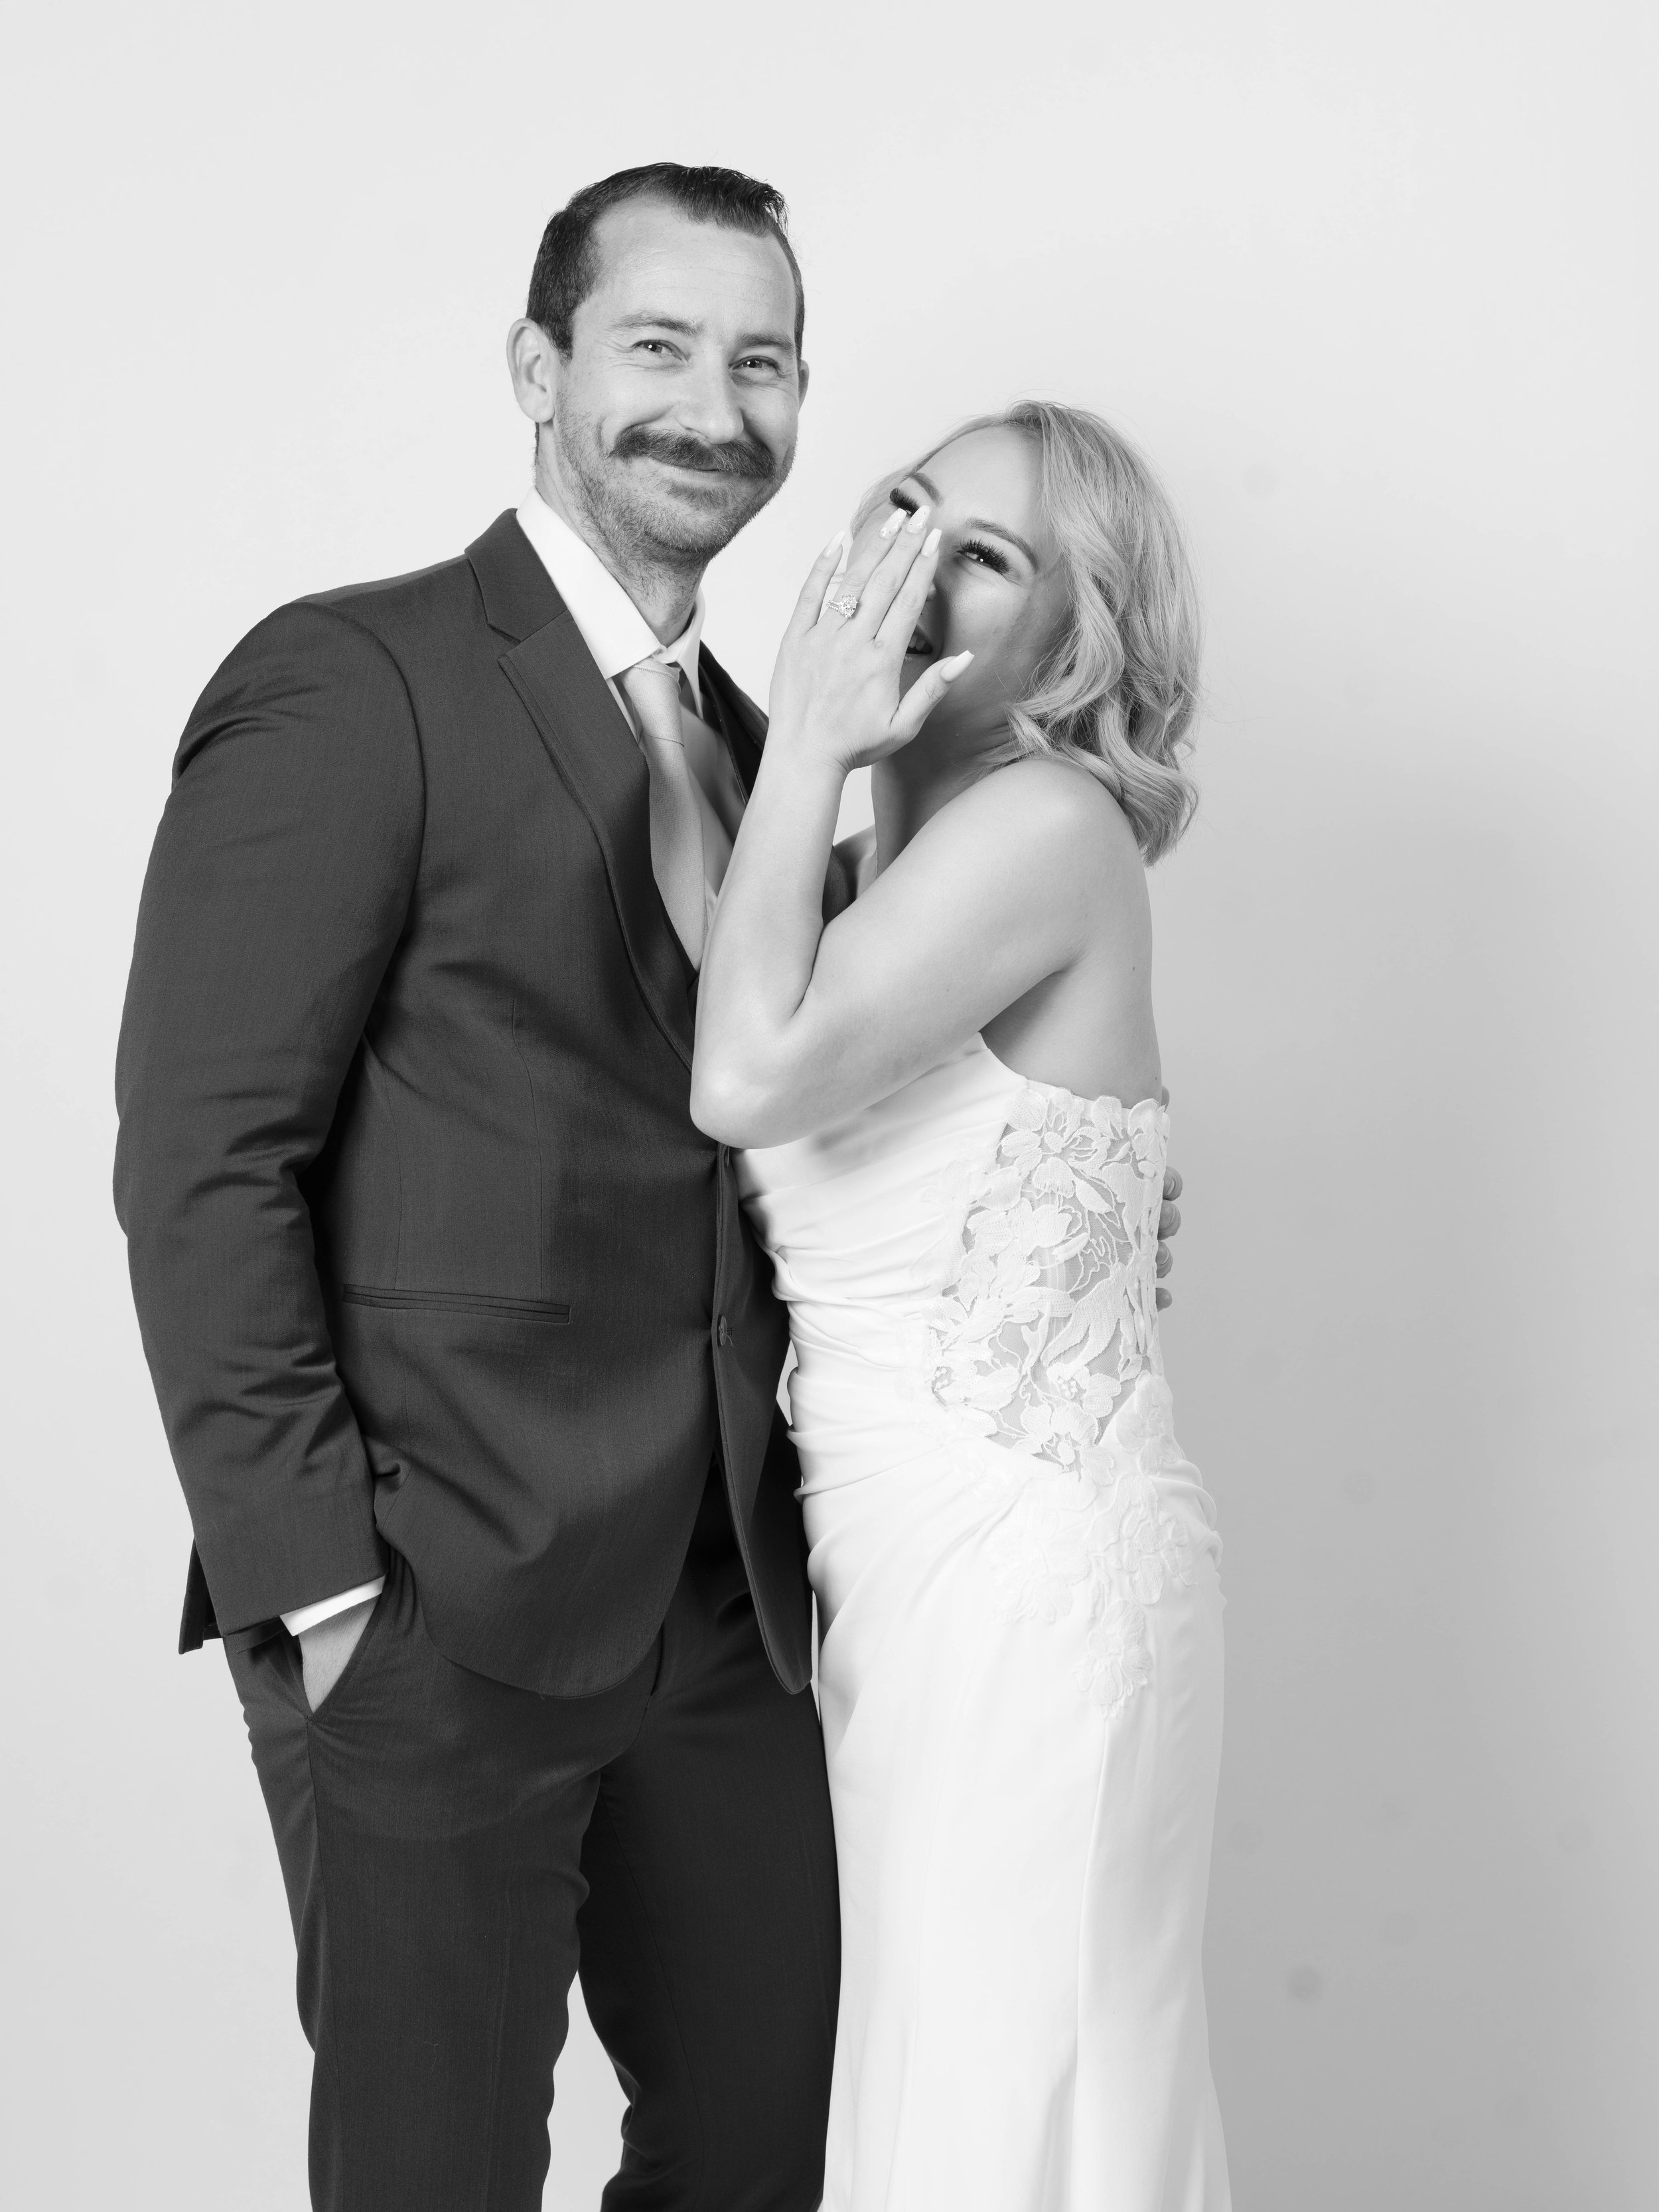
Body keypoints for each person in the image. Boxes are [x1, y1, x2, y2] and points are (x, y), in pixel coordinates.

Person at [113, 161, 1182, 2206]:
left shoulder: (791, 753)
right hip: (437, 1607)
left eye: (762, 361)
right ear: (538, 370)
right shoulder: (358, 681)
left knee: (770, 2157)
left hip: (735, 1624)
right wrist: (323, 1588)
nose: (716, 407)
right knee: (434, 2176)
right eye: (658, 348)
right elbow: (199, 1161)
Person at [692, 402, 1228, 2209]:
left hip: (1024, 1592)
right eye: (904, 505)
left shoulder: (1042, 827)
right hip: (897, 1583)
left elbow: (747, 1077)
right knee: (941, 2094)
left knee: (1011, 2111)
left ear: (1070, 643)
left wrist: (804, 752)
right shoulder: (857, 884)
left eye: (980, 549)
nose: (914, 556)